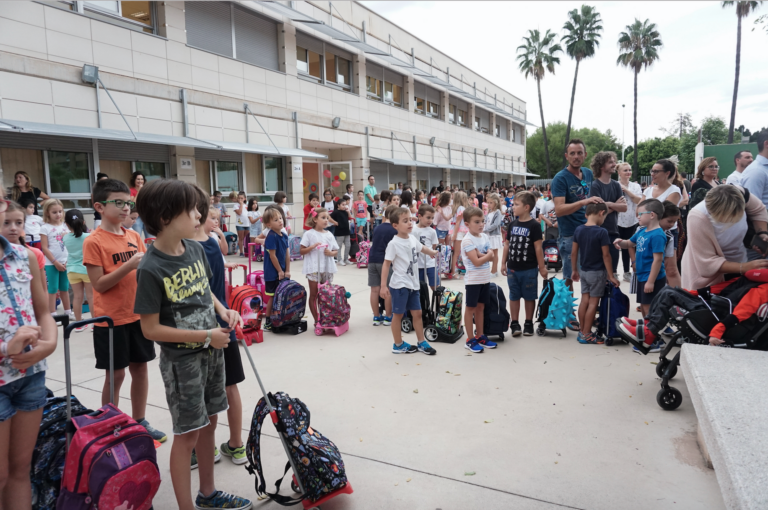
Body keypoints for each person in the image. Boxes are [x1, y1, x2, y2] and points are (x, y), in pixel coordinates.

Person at [134, 179, 250, 510]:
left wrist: (222, 309)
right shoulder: (151, 267)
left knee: (212, 420)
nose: (199, 214)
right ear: (166, 216)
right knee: (187, 435)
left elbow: (203, 290)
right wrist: (205, 336)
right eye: (192, 209)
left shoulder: (196, 249)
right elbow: (150, 329)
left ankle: (208, 494)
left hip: (212, 351)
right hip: (183, 362)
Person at [83, 178, 167, 443]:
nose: (125, 208)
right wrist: (129, 266)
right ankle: (111, 424)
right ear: (99, 206)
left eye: (128, 203)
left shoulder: (134, 236)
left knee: (140, 369)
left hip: (138, 315)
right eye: (117, 203)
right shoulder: (93, 241)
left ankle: (139, 420)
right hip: (110, 320)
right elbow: (99, 284)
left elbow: (144, 274)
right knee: (116, 373)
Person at [0, 195, 58, 510]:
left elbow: (43, 312)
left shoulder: (25, 256)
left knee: (21, 469)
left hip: (31, 376)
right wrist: (6, 348)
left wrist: (48, 344)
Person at [191, 194, 247, 468]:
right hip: (224, 324)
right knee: (230, 386)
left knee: (202, 390)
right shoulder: (211, 244)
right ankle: (236, 444)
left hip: (206, 328)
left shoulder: (187, 248)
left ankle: (206, 448)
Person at [681, 184, 768, 289]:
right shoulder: (697, 218)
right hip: (707, 279)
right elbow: (707, 264)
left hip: (740, 266)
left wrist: (762, 233)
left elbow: (758, 210)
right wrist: (743, 267)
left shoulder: (739, 193)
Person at [552, 139, 599, 330]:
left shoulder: (588, 173)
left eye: (579, 153)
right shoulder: (560, 178)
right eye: (572, 153)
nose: (576, 156)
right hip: (570, 235)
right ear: (566, 156)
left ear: (585, 155)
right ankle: (568, 313)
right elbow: (560, 209)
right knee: (569, 276)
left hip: (590, 232)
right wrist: (583, 202)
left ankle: (588, 312)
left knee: (591, 275)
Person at [380, 208, 437, 355]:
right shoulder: (394, 244)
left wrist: (431, 252)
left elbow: (421, 247)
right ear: (395, 226)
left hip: (414, 284)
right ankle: (398, 344)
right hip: (400, 285)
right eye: (405, 221)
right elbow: (386, 264)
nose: (410, 223)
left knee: (417, 313)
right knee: (398, 315)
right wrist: (383, 286)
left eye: (410, 220)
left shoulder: (412, 238)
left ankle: (421, 342)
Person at [614, 199, 667, 328]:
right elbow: (629, 243)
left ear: (652, 215)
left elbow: (658, 260)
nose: (637, 216)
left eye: (641, 214)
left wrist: (651, 281)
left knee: (650, 308)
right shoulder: (642, 231)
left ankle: (652, 338)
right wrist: (619, 242)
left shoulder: (658, 235)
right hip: (642, 276)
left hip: (652, 277)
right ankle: (646, 331)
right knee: (643, 306)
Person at [572, 203, 619, 344]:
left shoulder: (578, 230)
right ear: (601, 213)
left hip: (584, 271)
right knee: (593, 303)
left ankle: (582, 331)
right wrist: (611, 276)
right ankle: (587, 334)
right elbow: (606, 256)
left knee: (584, 300)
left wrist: (574, 269)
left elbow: (574, 252)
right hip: (597, 272)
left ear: (587, 214)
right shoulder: (601, 232)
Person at [501, 191, 547, 337]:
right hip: (513, 268)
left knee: (529, 296)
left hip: (529, 269)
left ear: (526, 207)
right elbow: (507, 245)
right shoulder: (512, 224)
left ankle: (528, 323)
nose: (513, 207)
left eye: (516, 204)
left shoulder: (534, 225)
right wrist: (503, 263)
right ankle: (515, 323)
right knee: (514, 296)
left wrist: (542, 267)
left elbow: (538, 247)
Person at [461, 207, 497, 353]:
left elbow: (490, 256)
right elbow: (477, 261)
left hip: (484, 279)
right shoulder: (467, 240)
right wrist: (487, 256)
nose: (481, 224)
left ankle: (480, 335)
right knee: (470, 309)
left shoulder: (484, 237)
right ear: (467, 224)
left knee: (481, 308)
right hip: (473, 280)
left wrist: (483, 255)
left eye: (483, 221)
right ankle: (470, 339)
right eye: (477, 222)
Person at [644, 159, 683, 288]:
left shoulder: (674, 190)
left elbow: (664, 213)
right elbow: (638, 212)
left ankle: (677, 300)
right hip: (648, 232)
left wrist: (647, 213)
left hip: (667, 232)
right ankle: (651, 299)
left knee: (670, 268)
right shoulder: (648, 191)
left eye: (656, 171)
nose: (652, 174)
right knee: (650, 267)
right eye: (652, 171)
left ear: (667, 173)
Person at [588, 151, 626, 276]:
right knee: (600, 274)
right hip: (598, 234)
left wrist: (608, 204)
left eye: (614, 161)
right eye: (610, 162)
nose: (614, 164)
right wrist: (615, 205)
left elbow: (624, 207)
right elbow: (597, 213)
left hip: (613, 233)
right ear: (601, 166)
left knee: (613, 273)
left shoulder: (616, 185)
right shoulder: (595, 186)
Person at [300, 207, 339, 325]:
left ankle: (326, 317)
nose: (326, 220)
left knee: (326, 295)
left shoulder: (329, 235)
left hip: (326, 268)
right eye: (323, 218)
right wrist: (312, 247)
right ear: (315, 219)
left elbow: (336, 250)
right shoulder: (309, 234)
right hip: (313, 268)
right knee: (314, 294)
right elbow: (301, 251)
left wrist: (330, 253)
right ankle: (317, 319)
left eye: (327, 218)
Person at [39, 199, 71, 316]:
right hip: (51, 263)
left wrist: (67, 261)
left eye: (60, 211)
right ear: (47, 212)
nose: (58, 214)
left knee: (64, 287)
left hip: (65, 262)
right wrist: (55, 262)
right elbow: (45, 248)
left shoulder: (66, 227)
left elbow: (69, 244)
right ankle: (52, 314)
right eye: (54, 212)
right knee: (52, 288)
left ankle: (68, 312)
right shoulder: (45, 228)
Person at [368, 205, 398, 326]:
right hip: (384, 261)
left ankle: (376, 316)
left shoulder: (377, 228)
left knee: (374, 290)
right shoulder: (394, 230)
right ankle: (388, 316)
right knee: (387, 290)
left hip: (372, 260)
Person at [63, 209, 93, 329]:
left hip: (72, 270)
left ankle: (79, 325)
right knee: (91, 297)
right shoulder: (90, 237)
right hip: (86, 270)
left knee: (77, 297)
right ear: (84, 222)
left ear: (67, 224)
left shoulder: (65, 238)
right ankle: (96, 323)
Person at [740, 130, 768, 260]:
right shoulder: (757, 171)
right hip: (762, 240)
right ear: (766, 144)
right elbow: (750, 209)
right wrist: (760, 238)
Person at [262, 206, 290, 333]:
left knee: (283, 295)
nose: (280, 221)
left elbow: (287, 254)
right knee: (273, 297)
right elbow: (272, 256)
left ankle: (281, 318)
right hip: (272, 273)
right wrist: (279, 271)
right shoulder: (271, 236)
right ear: (268, 224)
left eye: (280, 218)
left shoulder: (284, 235)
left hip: (283, 271)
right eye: (275, 219)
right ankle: (268, 321)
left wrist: (287, 270)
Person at [617, 162, 643, 281]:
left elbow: (639, 200)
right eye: (625, 170)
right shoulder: (615, 185)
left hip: (632, 220)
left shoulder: (635, 186)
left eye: (629, 170)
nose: (628, 172)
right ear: (619, 173)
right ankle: (613, 271)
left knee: (630, 246)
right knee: (617, 246)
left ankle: (627, 271)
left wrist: (626, 191)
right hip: (618, 221)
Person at [412, 204, 439, 291]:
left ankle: (439, 304)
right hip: (417, 264)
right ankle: (423, 304)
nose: (430, 220)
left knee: (435, 286)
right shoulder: (412, 230)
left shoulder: (432, 231)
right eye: (428, 217)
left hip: (430, 263)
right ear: (419, 216)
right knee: (420, 287)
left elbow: (434, 246)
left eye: (432, 218)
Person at [449, 191, 470, 278]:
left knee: (456, 253)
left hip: (458, 232)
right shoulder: (461, 208)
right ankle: (453, 272)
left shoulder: (456, 208)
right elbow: (458, 222)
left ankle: (454, 271)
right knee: (457, 253)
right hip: (459, 232)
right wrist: (454, 235)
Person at [483, 193, 503, 277]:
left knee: (494, 253)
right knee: (489, 253)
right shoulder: (490, 212)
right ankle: (491, 270)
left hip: (494, 235)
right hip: (488, 235)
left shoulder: (497, 212)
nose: (489, 204)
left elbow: (496, 224)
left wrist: (485, 230)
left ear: (496, 202)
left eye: (491, 202)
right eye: (488, 202)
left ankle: (494, 271)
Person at [331, 197, 352, 266]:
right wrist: (334, 222)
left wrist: (348, 211)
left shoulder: (345, 212)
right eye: (343, 204)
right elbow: (328, 217)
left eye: (345, 204)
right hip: (339, 232)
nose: (344, 206)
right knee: (339, 246)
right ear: (338, 205)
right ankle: (339, 260)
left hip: (346, 231)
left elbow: (350, 217)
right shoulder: (336, 212)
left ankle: (346, 259)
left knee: (348, 245)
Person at [129, 171, 148, 238]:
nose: (140, 181)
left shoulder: (146, 190)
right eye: (138, 179)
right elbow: (133, 203)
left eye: (142, 179)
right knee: (137, 237)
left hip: (146, 217)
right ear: (134, 180)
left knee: (151, 239)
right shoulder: (130, 190)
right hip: (137, 217)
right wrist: (139, 191)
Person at [233, 191, 249, 257]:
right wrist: (241, 204)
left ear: (244, 198)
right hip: (240, 224)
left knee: (246, 238)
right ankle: (241, 252)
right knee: (241, 238)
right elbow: (239, 213)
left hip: (248, 223)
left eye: (241, 198)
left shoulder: (247, 205)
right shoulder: (236, 205)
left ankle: (247, 251)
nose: (240, 200)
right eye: (239, 198)